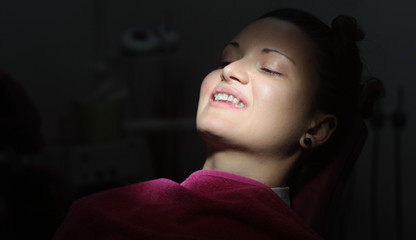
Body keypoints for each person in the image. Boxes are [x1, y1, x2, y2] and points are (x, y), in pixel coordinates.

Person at [53, 8, 383, 240]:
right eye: (227, 58)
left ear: (316, 129)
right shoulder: (107, 212)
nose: (230, 70)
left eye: (269, 68)